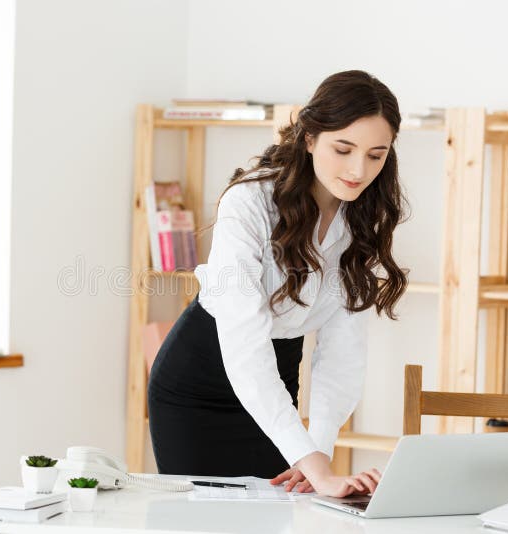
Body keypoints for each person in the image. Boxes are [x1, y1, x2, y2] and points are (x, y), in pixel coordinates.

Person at [147, 70, 407, 498]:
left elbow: (343, 352)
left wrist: (316, 454)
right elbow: (245, 346)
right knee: (199, 522)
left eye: (376, 155)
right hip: (202, 383)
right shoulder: (248, 202)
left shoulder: (361, 216)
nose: (359, 170)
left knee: (276, 516)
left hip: (279, 378)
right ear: (309, 138)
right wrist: (312, 462)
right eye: (343, 149)